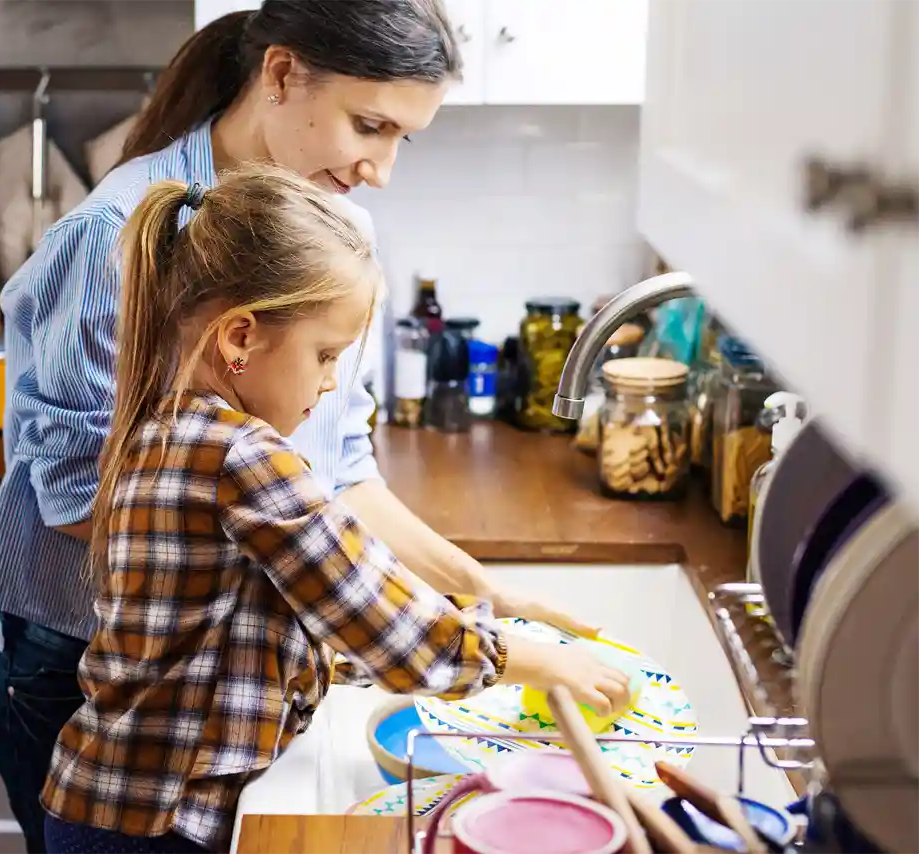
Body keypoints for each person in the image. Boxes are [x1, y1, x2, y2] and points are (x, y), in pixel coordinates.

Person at [0, 2, 602, 851]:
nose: (379, 167)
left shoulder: (332, 235)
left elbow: (339, 472)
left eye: (401, 140)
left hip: (221, 687)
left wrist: (477, 590)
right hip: (90, 675)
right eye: (368, 125)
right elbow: (88, 503)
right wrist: (351, 602)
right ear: (279, 75)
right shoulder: (110, 239)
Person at [39, 167, 632, 854]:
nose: (328, 384)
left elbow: (274, 638)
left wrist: (477, 622)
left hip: (113, 807)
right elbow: (381, 620)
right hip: (155, 826)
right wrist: (539, 662)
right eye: (325, 355)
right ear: (239, 339)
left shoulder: (168, 428)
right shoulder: (240, 457)